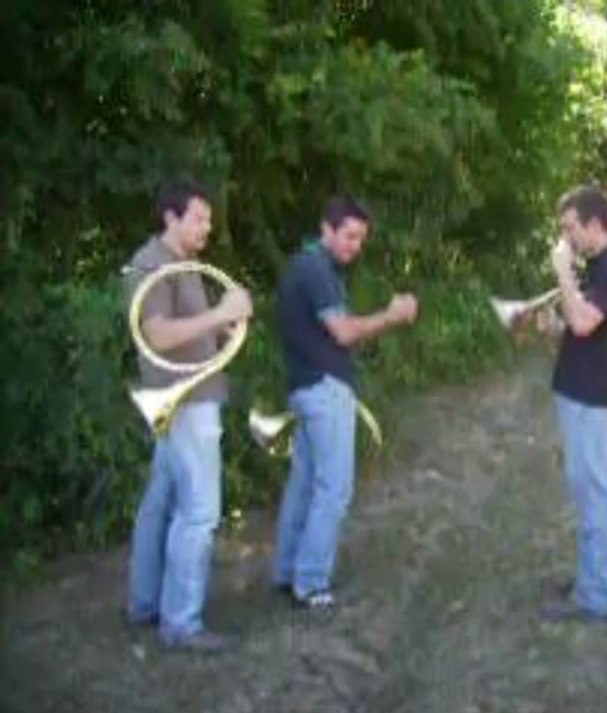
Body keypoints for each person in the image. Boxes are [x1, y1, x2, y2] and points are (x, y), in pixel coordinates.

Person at [124, 179, 253, 652]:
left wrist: (225, 327)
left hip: (188, 401)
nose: (207, 227)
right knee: (198, 513)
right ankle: (180, 623)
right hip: (185, 404)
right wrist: (220, 314)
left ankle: (146, 605)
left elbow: (192, 335)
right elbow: (158, 336)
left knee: (160, 504)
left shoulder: (184, 265)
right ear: (170, 217)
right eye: (199, 218)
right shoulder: (152, 265)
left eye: (209, 220)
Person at [273, 195, 418, 610]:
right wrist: (391, 315)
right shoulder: (316, 270)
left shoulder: (308, 266)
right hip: (323, 390)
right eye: (350, 236)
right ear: (327, 228)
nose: (356, 246)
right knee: (334, 488)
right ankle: (311, 583)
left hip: (305, 389)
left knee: (304, 485)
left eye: (360, 239)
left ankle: (287, 572)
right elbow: (344, 332)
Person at [539, 185, 607, 623]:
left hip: (591, 393)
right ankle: (591, 576)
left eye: (570, 229)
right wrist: (551, 327)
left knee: (595, 492)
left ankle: (595, 596)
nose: (565, 239)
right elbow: (583, 324)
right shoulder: (601, 265)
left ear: (595, 224)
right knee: (585, 489)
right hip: (580, 388)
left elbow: (583, 323)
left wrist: (563, 270)